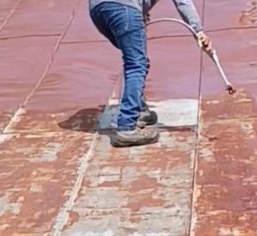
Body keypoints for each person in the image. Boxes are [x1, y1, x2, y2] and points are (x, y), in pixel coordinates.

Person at [90, 0, 212, 147]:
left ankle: (139, 109)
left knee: (134, 59)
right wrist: (198, 31)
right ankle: (127, 126)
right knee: (136, 64)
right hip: (123, 8)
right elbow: (183, 2)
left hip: (97, 9)